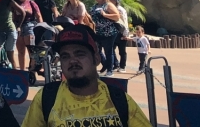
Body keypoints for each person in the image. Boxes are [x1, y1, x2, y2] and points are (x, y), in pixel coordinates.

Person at [20, 24, 152, 127]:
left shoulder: (119, 100)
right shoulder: (46, 98)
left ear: (96, 58)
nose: (72, 61)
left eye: (80, 54)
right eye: (65, 56)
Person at [88, 0, 121, 75]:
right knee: (96, 50)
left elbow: (117, 16)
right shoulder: (95, 6)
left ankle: (110, 70)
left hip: (109, 32)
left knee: (108, 51)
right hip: (98, 32)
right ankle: (105, 64)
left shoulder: (108, 5)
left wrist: (105, 15)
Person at [0, 0, 24, 70]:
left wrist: (19, 26)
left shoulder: (10, 2)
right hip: (0, 31)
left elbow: (22, 12)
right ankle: (5, 73)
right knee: (2, 53)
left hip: (10, 30)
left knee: (10, 54)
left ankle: (15, 74)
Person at [15, 0, 43, 75]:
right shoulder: (15, 3)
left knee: (31, 50)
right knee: (20, 51)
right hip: (18, 26)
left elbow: (38, 15)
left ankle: (31, 70)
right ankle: (22, 73)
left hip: (29, 25)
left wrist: (41, 27)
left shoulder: (31, 3)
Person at [109, 0, 129, 72]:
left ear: (116, 0)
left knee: (122, 51)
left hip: (121, 32)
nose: (110, 0)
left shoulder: (121, 10)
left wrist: (125, 33)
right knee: (111, 49)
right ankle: (116, 64)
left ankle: (122, 66)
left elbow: (125, 21)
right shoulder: (110, 9)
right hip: (113, 32)